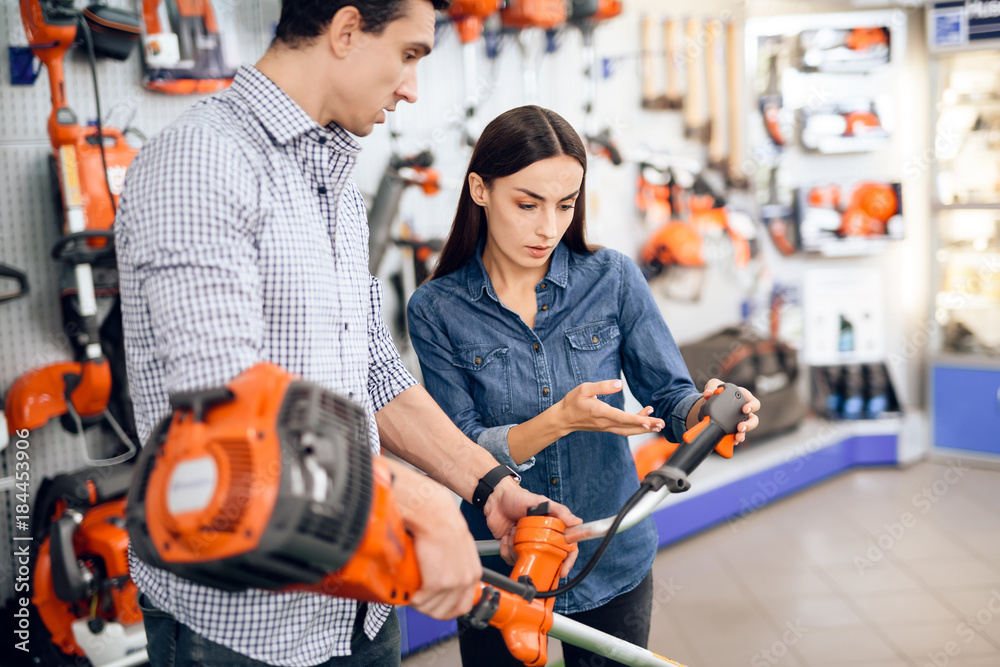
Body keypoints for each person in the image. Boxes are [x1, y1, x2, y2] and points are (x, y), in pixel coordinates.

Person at [114, 3, 580, 666]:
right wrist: (414, 496)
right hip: (243, 623)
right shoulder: (199, 162)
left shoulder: (330, 180)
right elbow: (222, 418)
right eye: (411, 53)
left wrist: (488, 484)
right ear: (346, 30)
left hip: (358, 609)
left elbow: (377, 375)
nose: (413, 86)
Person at [406, 105, 761, 667]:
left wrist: (705, 412)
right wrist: (561, 420)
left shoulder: (613, 278)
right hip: (501, 564)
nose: (548, 227)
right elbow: (461, 448)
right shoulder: (435, 308)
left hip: (608, 551)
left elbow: (669, 398)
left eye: (565, 205)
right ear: (479, 189)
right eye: (527, 204)